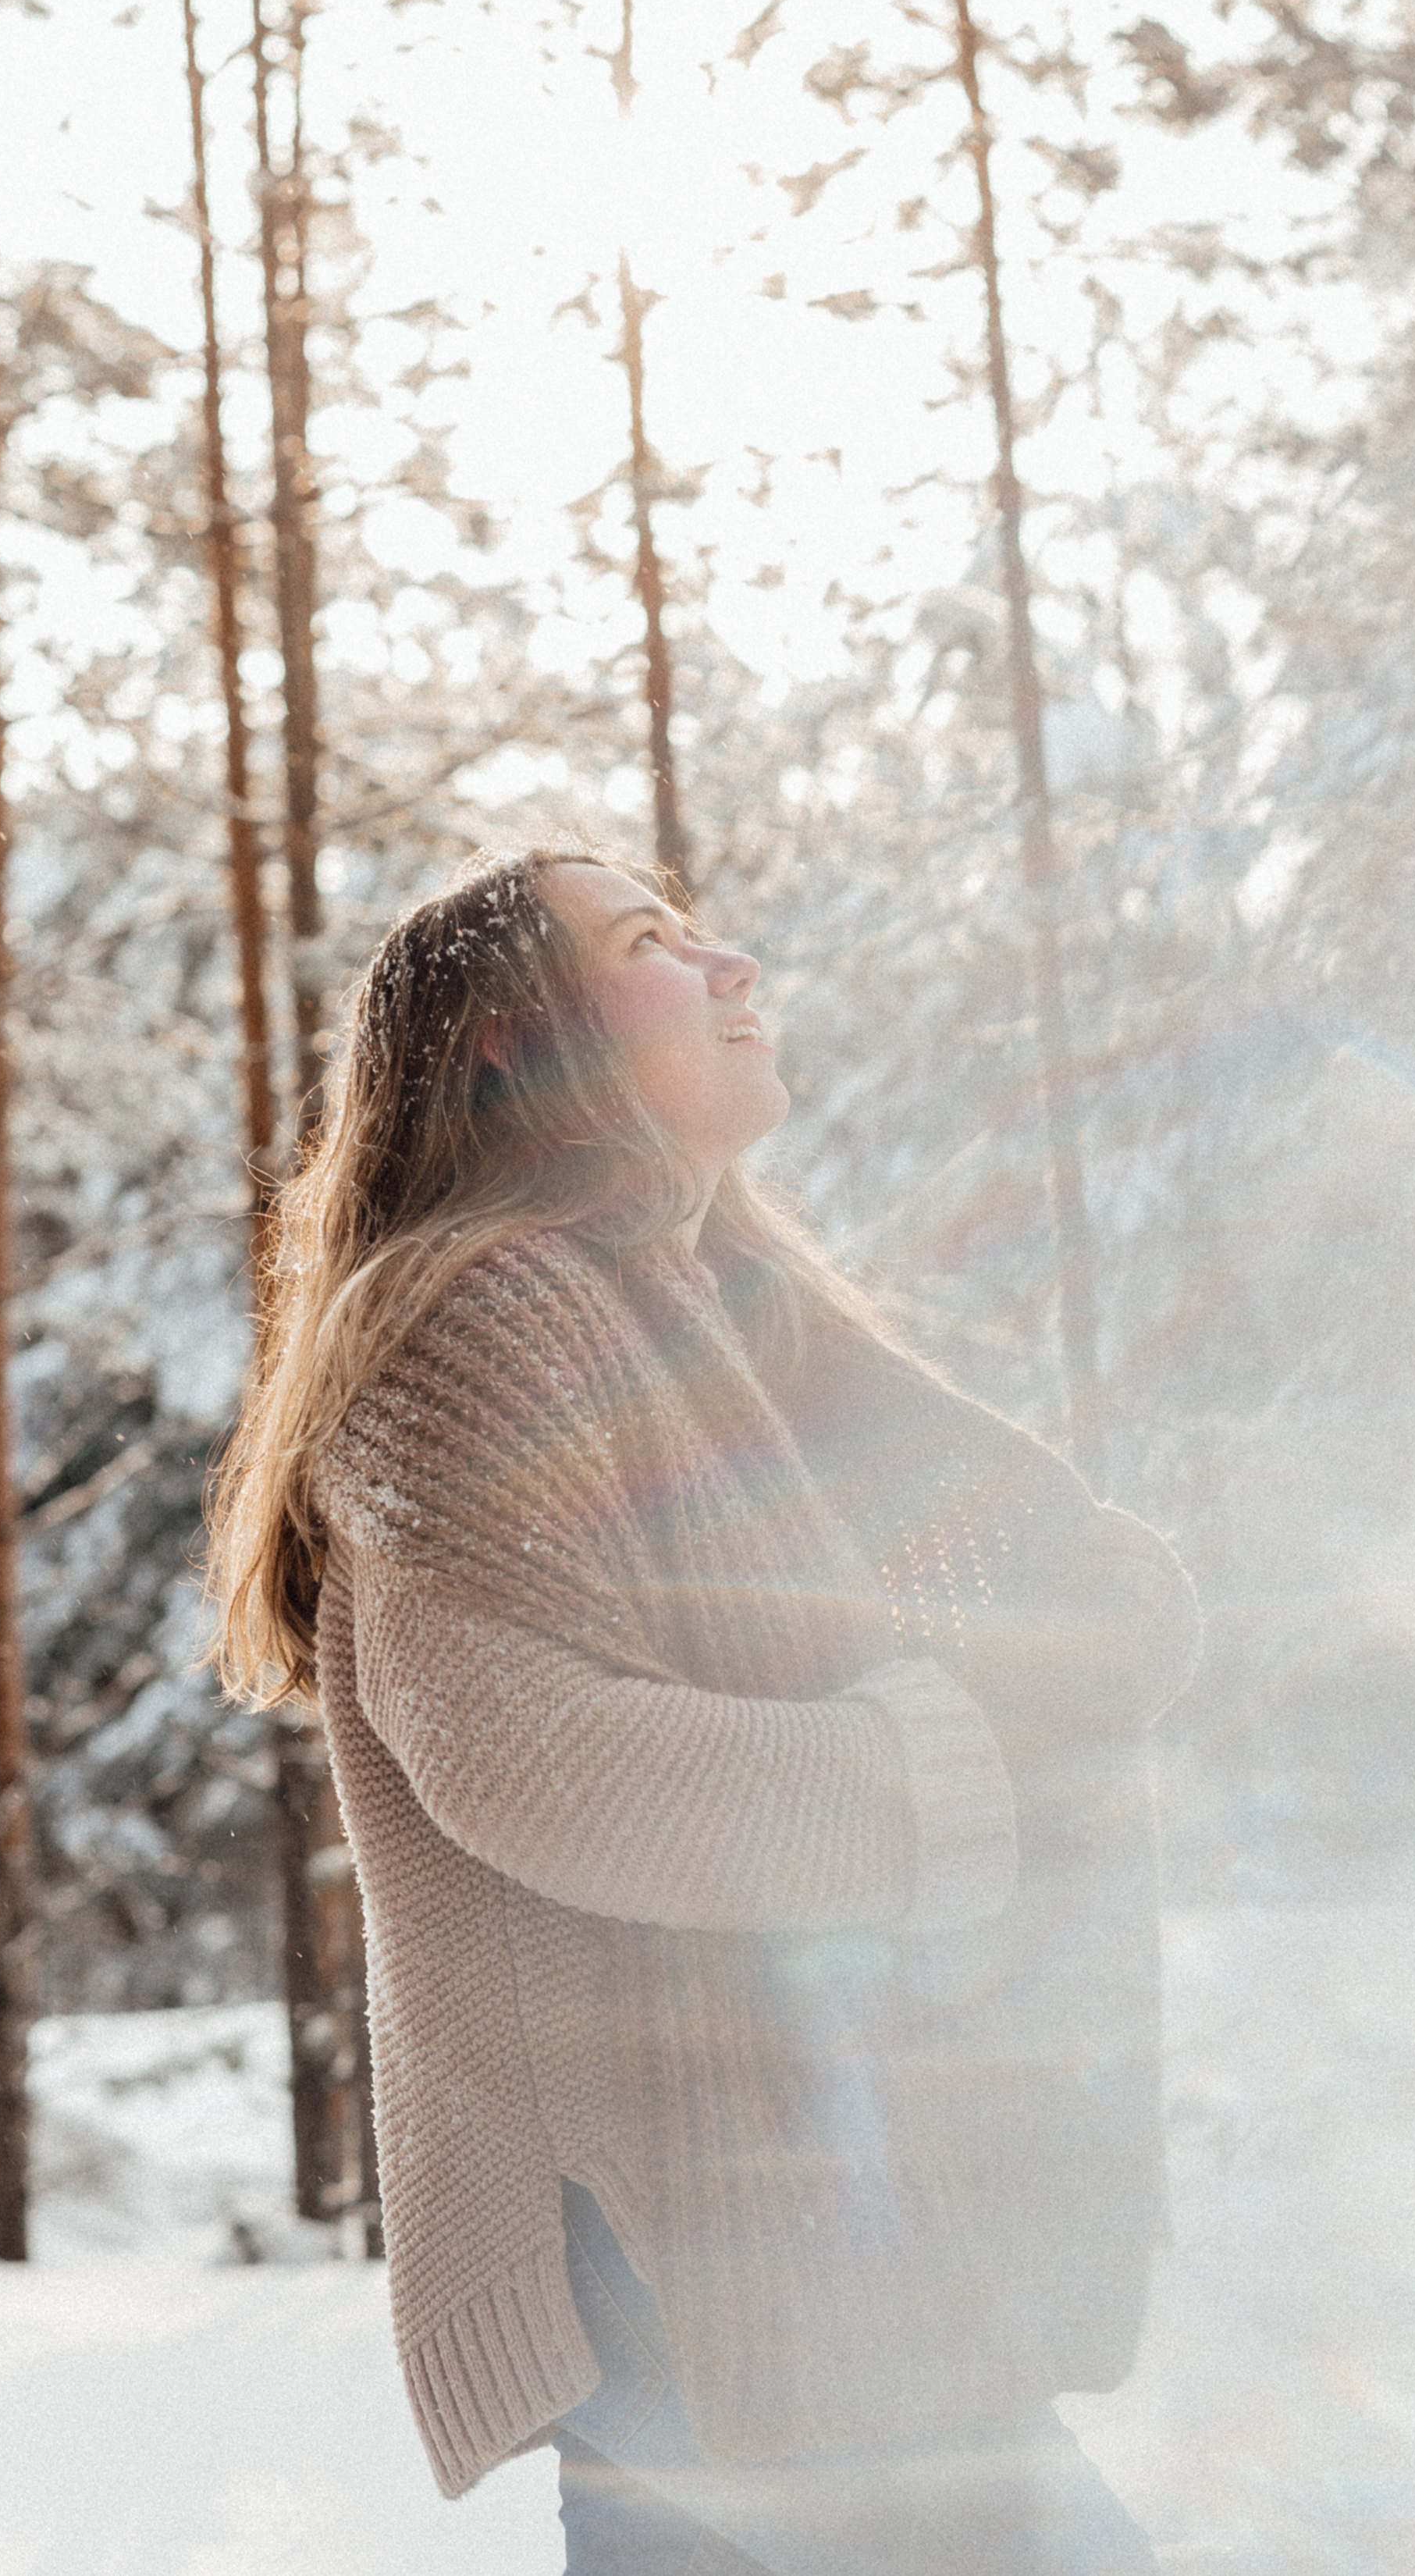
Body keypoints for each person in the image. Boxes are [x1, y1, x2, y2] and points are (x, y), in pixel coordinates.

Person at [208, 844, 1200, 2575]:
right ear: (518, 1045)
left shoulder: (715, 1314)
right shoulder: (483, 1314)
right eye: (651, 944)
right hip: (694, 2226)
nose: (733, 962)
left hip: (773, 2209)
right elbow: (544, 1762)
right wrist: (961, 1770)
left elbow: (1012, 1587)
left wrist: (1074, 1650)